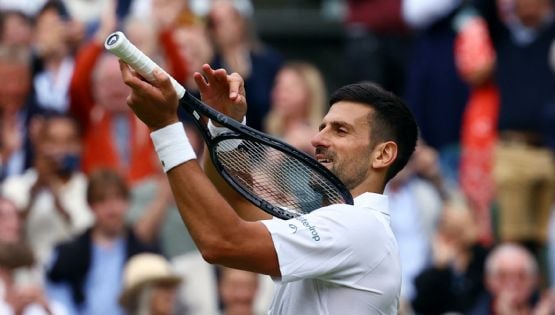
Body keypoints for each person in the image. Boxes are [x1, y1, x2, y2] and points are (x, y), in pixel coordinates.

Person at [119, 59, 418, 314]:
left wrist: (164, 128)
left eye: (340, 130)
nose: (318, 140)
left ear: (383, 154)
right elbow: (236, 204)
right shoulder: (338, 224)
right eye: (322, 127)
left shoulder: (359, 226)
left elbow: (222, 241)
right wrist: (224, 127)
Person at [45, 168, 159, 315]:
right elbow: (57, 298)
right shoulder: (67, 254)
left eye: (118, 199)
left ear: (127, 202)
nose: (112, 209)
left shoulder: (146, 251)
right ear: (90, 206)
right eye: (102, 201)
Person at [1, 113, 93, 266]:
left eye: (69, 141)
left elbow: (88, 238)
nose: (62, 149)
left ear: (80, 146)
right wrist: (36, 190)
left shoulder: (89, 188)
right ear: (39, 145)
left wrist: (57, 200)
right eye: (53, 141)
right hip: (23, 277)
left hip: (72, 276)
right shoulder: (14, 187)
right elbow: (8, 236)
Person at [467, 243, 555, 315]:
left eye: (521, 276)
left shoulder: (549, 308)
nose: (513, 283)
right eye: (503, 276)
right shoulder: (476, 311)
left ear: (535, 280)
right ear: (487, 280)